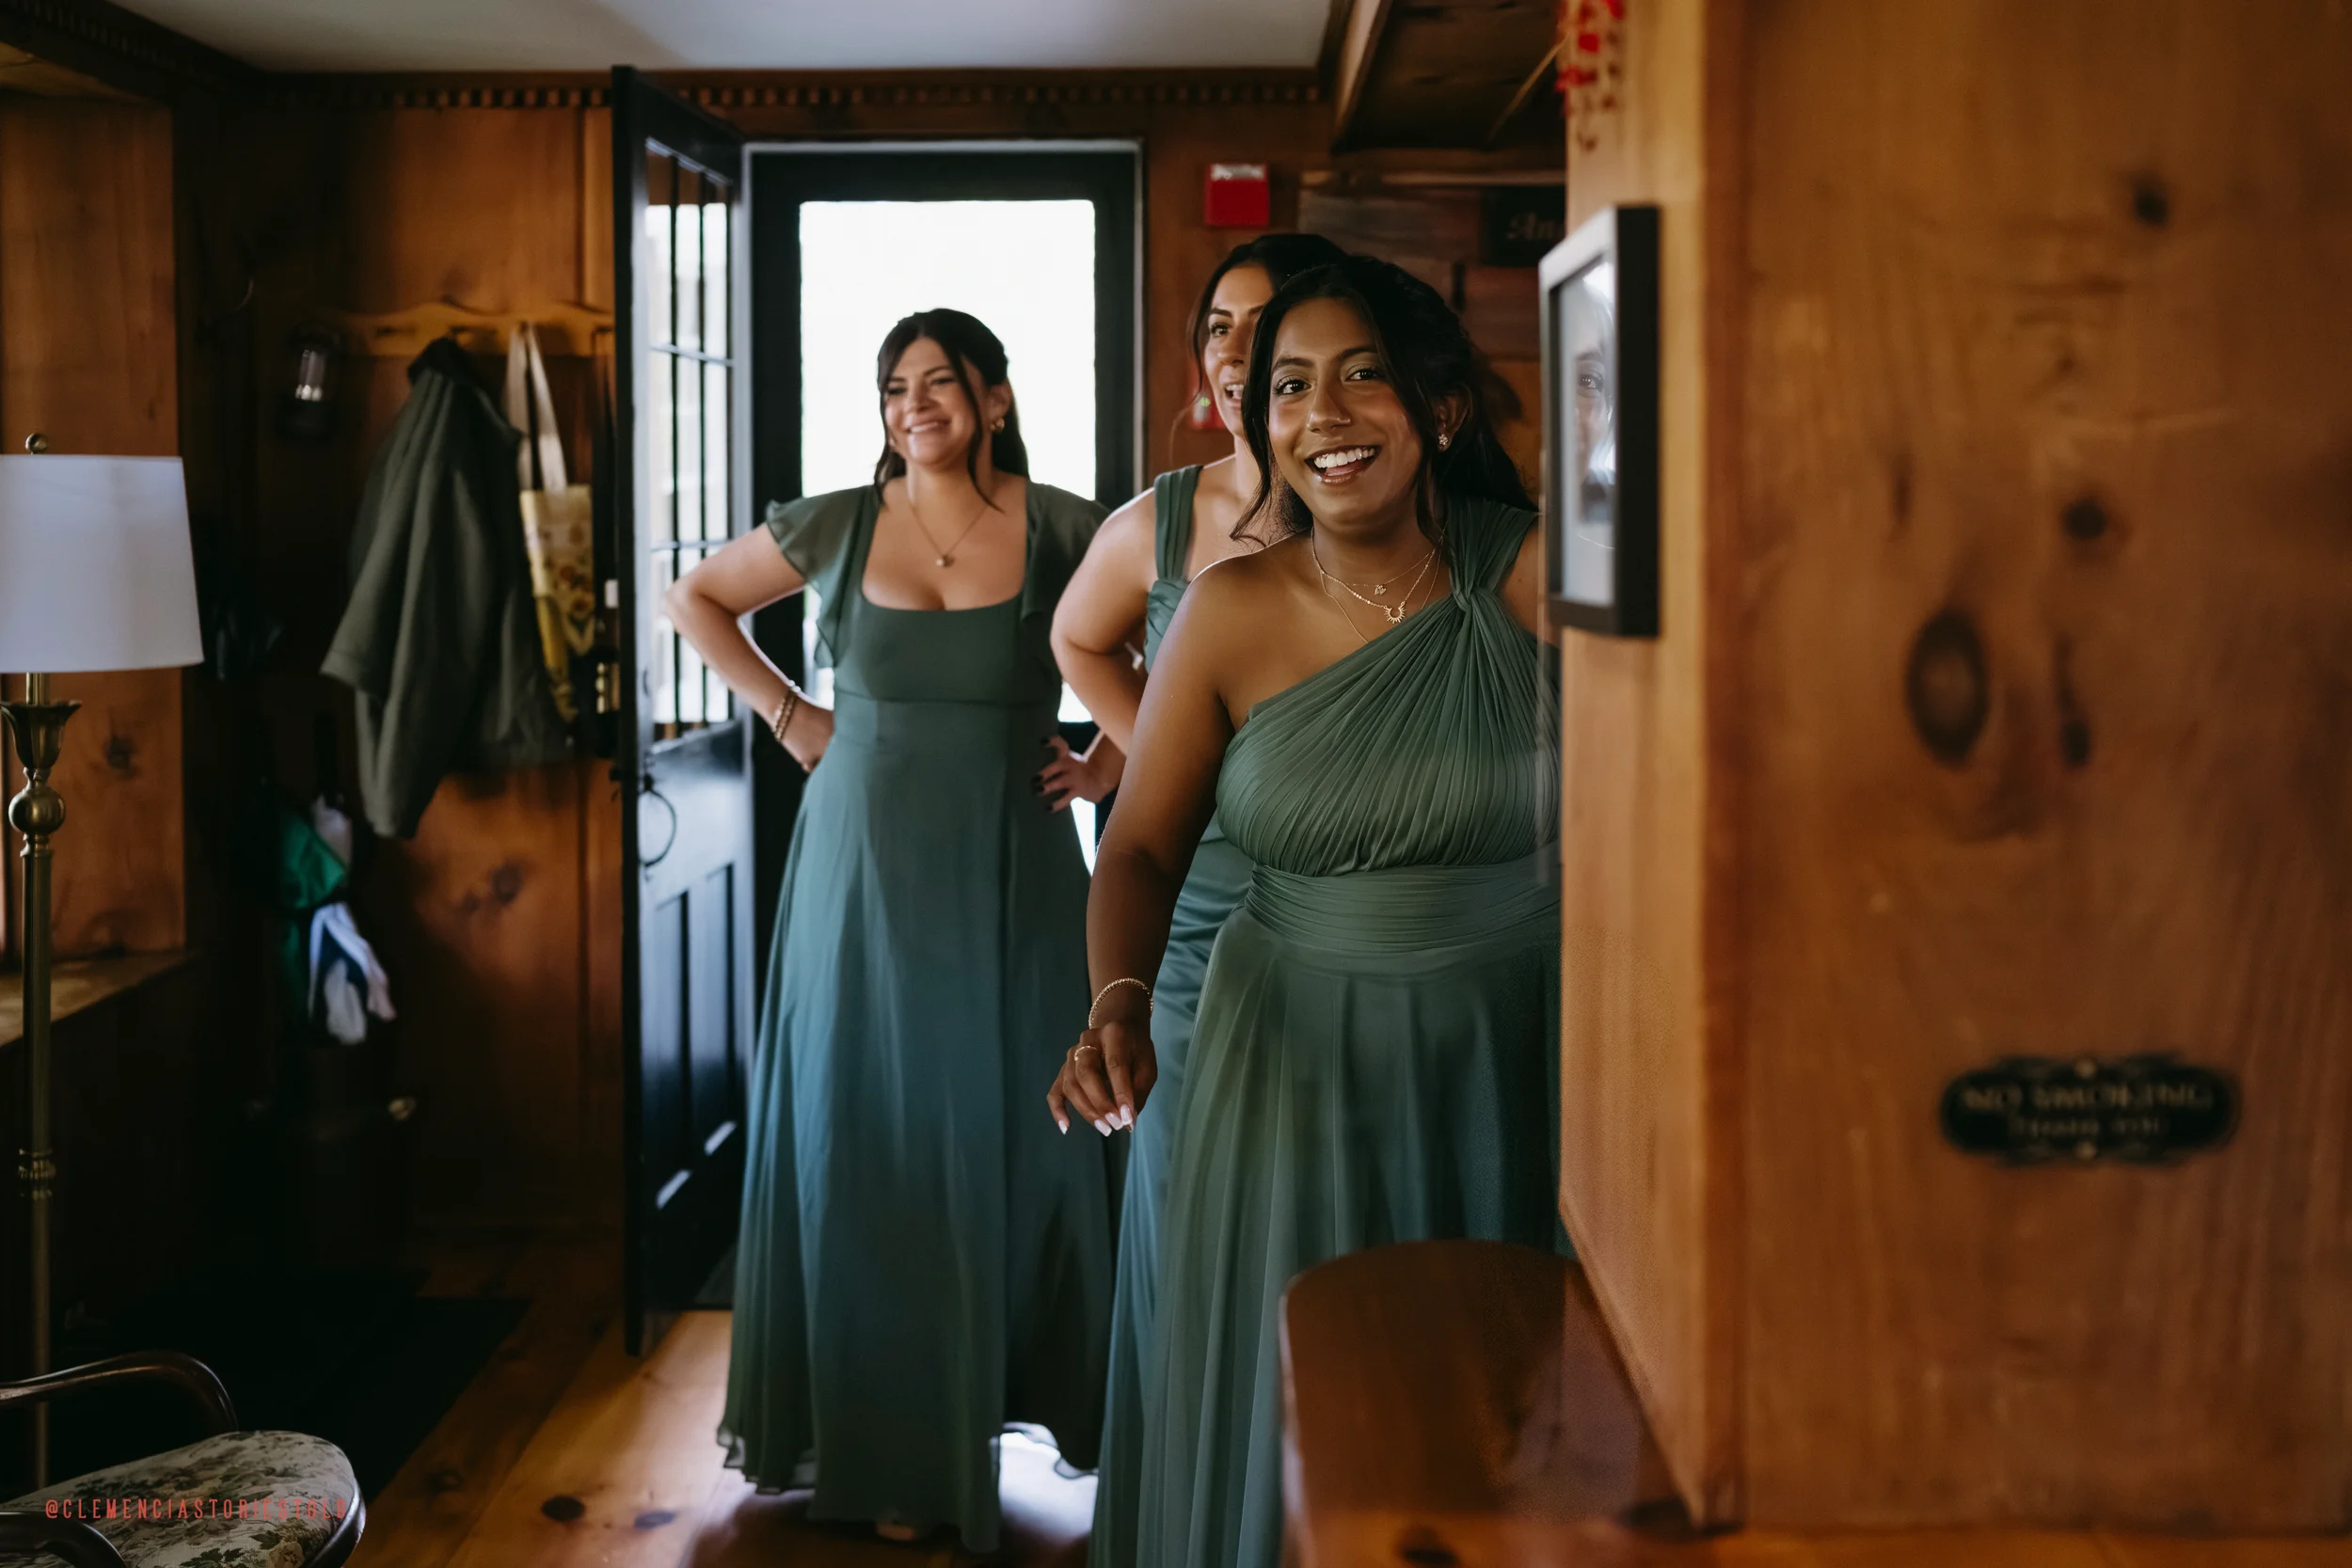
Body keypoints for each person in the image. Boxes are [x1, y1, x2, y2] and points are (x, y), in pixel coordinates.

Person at [1047, 257, 1564, 1568]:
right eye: (1289, 386)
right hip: (1287, 1066)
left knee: (1491, 1417)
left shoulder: (1530, 575)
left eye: (1362, 374)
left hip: (1508, 1052)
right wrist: (1117, 1005)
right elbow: (1142, 846)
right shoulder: (1227, 611)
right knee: (1304, 1420)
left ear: (1440, 407)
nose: (1323, 414)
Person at [668, 308, 1115, 1553]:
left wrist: (1108, 760)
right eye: (895, 387)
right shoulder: (837, 522)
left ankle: (1021, 1406)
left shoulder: (1065, 525)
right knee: (872, 1140)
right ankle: (892, 1451)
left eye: (940, 381)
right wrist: (789, 715)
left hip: (1016, 876)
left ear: (995, 397)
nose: (915, 404)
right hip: (858, 875)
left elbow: (1179, 636)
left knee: (1027, 1138)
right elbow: (694, 597)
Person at [1046, 230, 1347, 1567]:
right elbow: (1076, 634)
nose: (1238, 349)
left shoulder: (1374, 499)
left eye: (1265, 325)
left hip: (1360, 909)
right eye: (1220, 326)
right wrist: (1172, 757)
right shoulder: (1161, 522)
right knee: (1197, 1235)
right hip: (1191, 908)